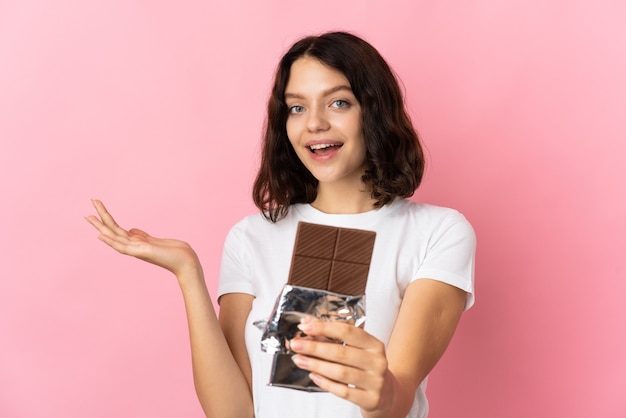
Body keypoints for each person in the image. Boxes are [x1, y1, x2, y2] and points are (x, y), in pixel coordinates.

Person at [86, 31, 475, 418]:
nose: (315, 124)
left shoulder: (437, 232)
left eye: (339, 102)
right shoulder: (251, 237)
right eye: (296, 108)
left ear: (373, 110)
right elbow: (233, 412)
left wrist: (381, 391)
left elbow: (397, 399)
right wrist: (188, 273)